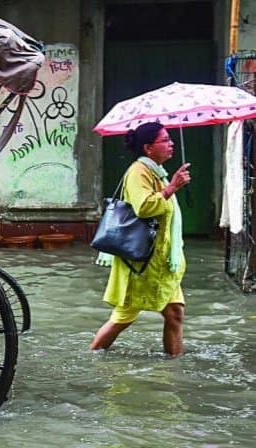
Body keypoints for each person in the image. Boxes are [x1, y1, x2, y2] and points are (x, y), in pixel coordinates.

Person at [89, 122, 191, 356]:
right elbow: (144, 207)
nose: (171, 143)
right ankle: (91, 356)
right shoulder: (138, 172)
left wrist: (171, 184)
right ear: (148, 148)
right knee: (123, 317)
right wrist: (172, 187)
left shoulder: (157, 173)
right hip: (142, 263)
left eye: (170, 139)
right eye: (165, 140)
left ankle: (174, 368)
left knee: (175, 313)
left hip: (161, 262)